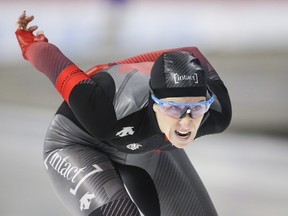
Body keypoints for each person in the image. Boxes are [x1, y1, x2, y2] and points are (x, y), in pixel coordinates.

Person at [15, 11, 232, 216]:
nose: (186, 122)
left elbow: (192, 53)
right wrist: (29, 45)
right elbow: (51, 59)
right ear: (154, 102)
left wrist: (136, 67)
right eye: (173, 108)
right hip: (78, 143)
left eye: (196, 108)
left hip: (144, 147)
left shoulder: (217, 113)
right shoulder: (101, 108)